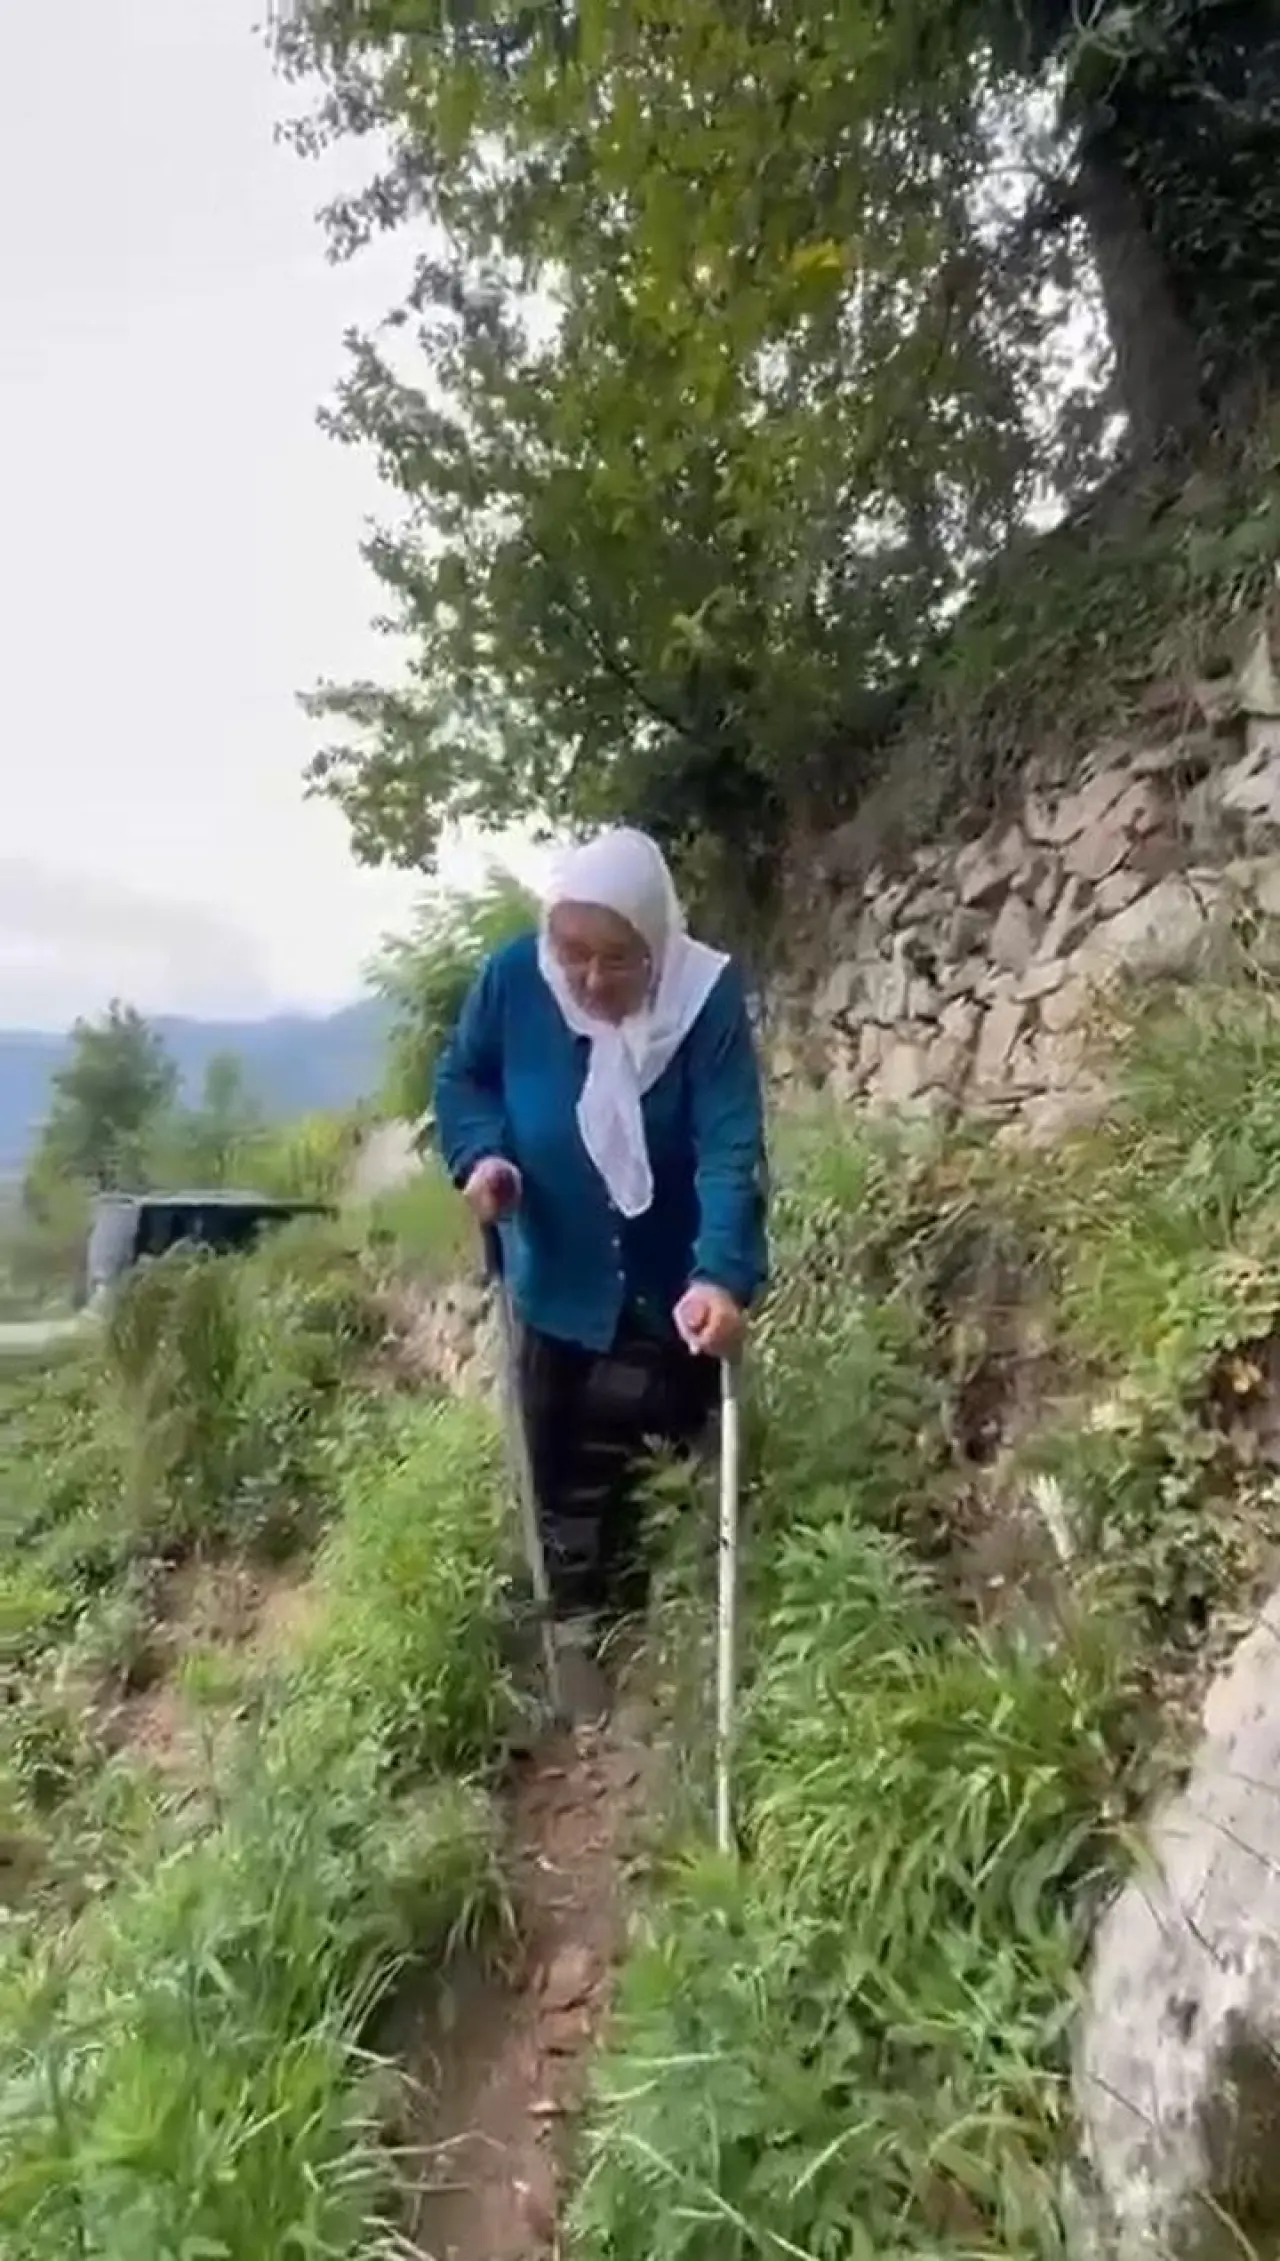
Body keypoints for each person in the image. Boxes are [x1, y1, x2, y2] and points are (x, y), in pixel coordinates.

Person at [433, 826, 768, 1699]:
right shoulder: (516, 979)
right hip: (554, 1273)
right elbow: (463, 1077)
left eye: (616, 958)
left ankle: (663, 1645)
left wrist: (720, 1272)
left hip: (668, 1282)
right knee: (558, 1464)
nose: (587, 978)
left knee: (661, 1459)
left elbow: (729, 1143)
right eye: (572, 952)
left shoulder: (703, 998)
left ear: (656, 942)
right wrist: (482, 1155)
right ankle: (578, 1636)